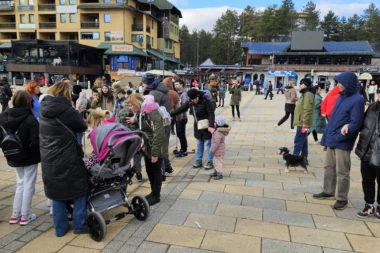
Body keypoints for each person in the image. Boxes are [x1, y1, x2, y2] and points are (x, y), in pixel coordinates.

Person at [39, 81, 88, 237]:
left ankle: (60, 229)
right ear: (66, 93)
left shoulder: (43, 108)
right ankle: (79, 225)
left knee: (56, 192)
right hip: (68, 156)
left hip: (49, 157)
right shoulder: (67, 110)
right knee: (81, 189)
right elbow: (82, 127)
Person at [313, 71, 364, 210]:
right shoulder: (341, 97)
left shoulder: (357, 100)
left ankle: (342, 198)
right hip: (332, 138)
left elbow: (356, 124)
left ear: (348, 84)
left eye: (340, 83)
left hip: (342, 140)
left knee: (342, 171)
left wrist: (339, 137)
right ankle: (328, 191)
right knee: (329, 167)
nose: (338, 85)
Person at [0, 91, 40, 225]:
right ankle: (25, 215)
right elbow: (36, 141)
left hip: (13, 153)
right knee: (28, 185)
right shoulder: (30, 119)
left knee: (20, 184)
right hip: (29, 155)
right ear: (28, 102)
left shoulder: (5, 116)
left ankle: (15, 214)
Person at [125, 94, 168, 205]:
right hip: (150, 145)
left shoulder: (152, 112)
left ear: (137, 104)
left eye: (131, 105)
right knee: (149, 169)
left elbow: (158, 133)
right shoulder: (142, 113)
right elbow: (147, 132)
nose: (130, 108)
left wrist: (155, 153)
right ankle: (153, 192)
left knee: (156, 170)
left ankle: (156, 195)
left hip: (157, 146)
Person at [170, 89, 215, 170]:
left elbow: (211, 113)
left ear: (198, 96)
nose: (194, 100)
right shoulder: (190, 102)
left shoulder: (206, 101)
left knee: (208, 143)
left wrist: (211, 126)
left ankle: (210, 161)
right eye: (192, 99)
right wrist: (169, 114)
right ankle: (199, 160)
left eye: (195, 98)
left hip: (207, 125)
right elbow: (180, 109)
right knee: (199, 143)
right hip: (198, 126)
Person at [140, 73, 173, 179]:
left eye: (144, 82)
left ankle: (161, 174)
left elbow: (147, 109)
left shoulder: (154, 94)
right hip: (164, 122)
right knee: (163, 147)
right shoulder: (160, 90)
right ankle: (167, 168)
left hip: (158, 123)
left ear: (148, 83)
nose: (142, 84)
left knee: (158, 149)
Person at [355, 90, 380, 219]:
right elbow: (362, 124)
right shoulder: (371, 107)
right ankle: (368, 204)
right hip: (367, 150)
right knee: (367, 179)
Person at [117, 91, 142, 182]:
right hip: (136, 134)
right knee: (137, 153)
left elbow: (118, 123)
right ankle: (138, 172)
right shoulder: (138, 110)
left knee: (125, 154)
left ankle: (127, 171)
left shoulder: (122, 111)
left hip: (124, 135)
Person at [292, 78, 315, 168]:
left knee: (298, 141)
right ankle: (304, 158)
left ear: (305, 84)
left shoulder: (308, 94)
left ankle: (294, 159)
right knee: (303, 141)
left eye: (301, 83)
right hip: (302, 121)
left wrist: (305, 123)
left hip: (302, 122)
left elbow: (307, 109)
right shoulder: (305, 93)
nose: (300, 85)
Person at [209, 116, 231, 180]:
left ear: (217, 124)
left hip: (218, 150)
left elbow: (216, 143)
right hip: (220, 150)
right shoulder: (219, 131)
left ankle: (219, 174)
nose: (214, 123)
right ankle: (216, 172)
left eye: (215, 122)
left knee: (218, 162)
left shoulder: (217, 133)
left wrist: (212, 150)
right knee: (216, 161)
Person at [174, 79, 189, 157]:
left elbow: (185, 106)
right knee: (179, 134)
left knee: (181, 134)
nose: (176, 86)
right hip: (177, 117)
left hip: (182, 117)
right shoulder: (177, 93)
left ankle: (184, 150)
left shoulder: (184, 94)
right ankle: (182, 149)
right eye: (175, 84)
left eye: (177, 84)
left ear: (181, 85)